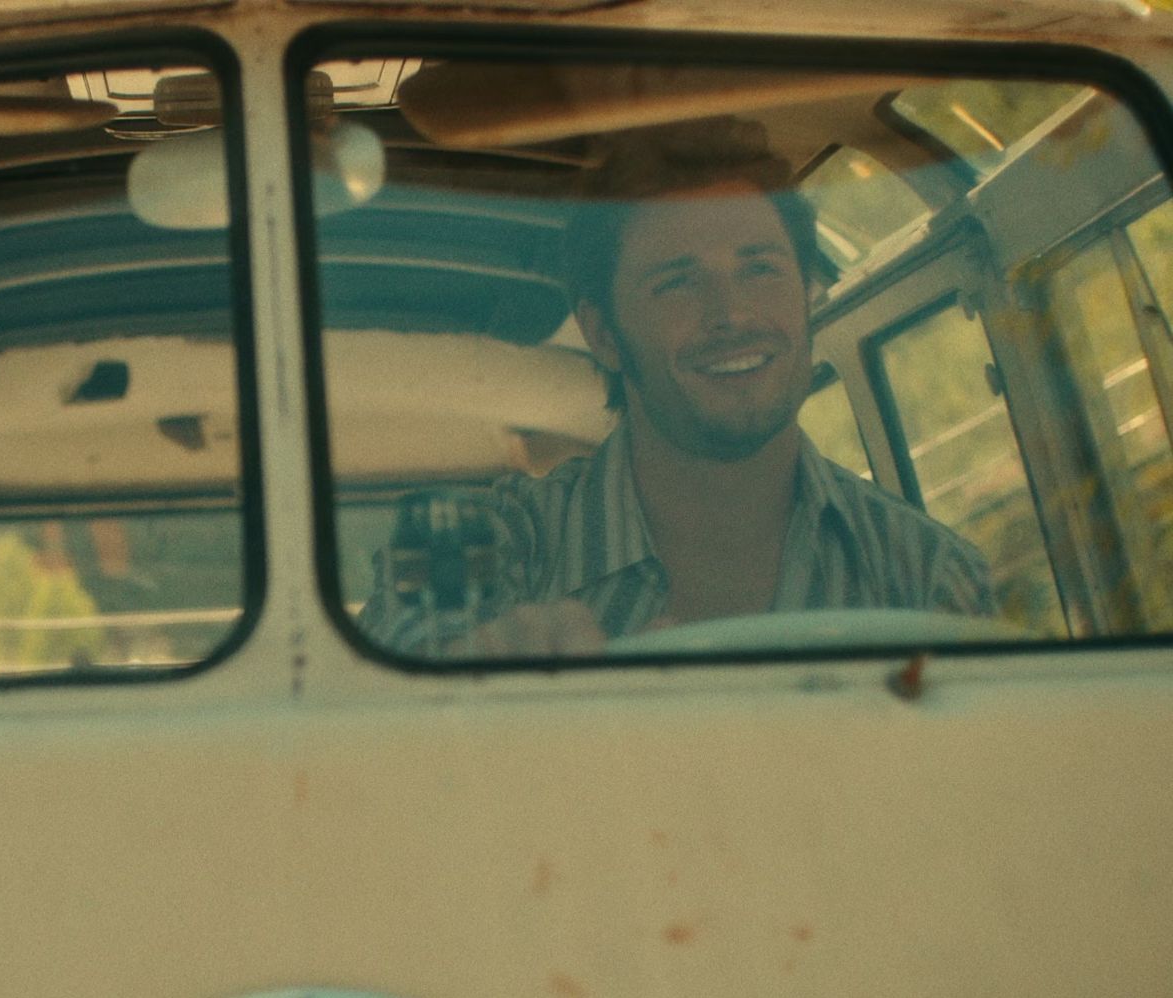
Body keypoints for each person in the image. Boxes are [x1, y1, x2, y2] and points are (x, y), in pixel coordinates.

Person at [358, 119, 998, 656]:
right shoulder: (475, 543)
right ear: (603, 333)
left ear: (807, 296)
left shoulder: (929, 572)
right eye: (677, 282)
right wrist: (478, 688)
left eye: (761, 270)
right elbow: (372, 756)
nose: (732, 313)